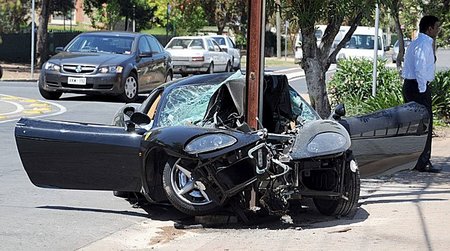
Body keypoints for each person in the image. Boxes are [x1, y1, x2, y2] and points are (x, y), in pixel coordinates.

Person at [402, 15, 441, 173]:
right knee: (425, 124)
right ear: (429, 28)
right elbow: (420, 68)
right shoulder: (423, 44)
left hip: (412, 85)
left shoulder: (418, 43)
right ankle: (422, 162)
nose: (439, 30)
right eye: (437, 27)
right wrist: (423, 89)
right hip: (417, 87)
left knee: (416, 126)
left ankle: (416, 161)